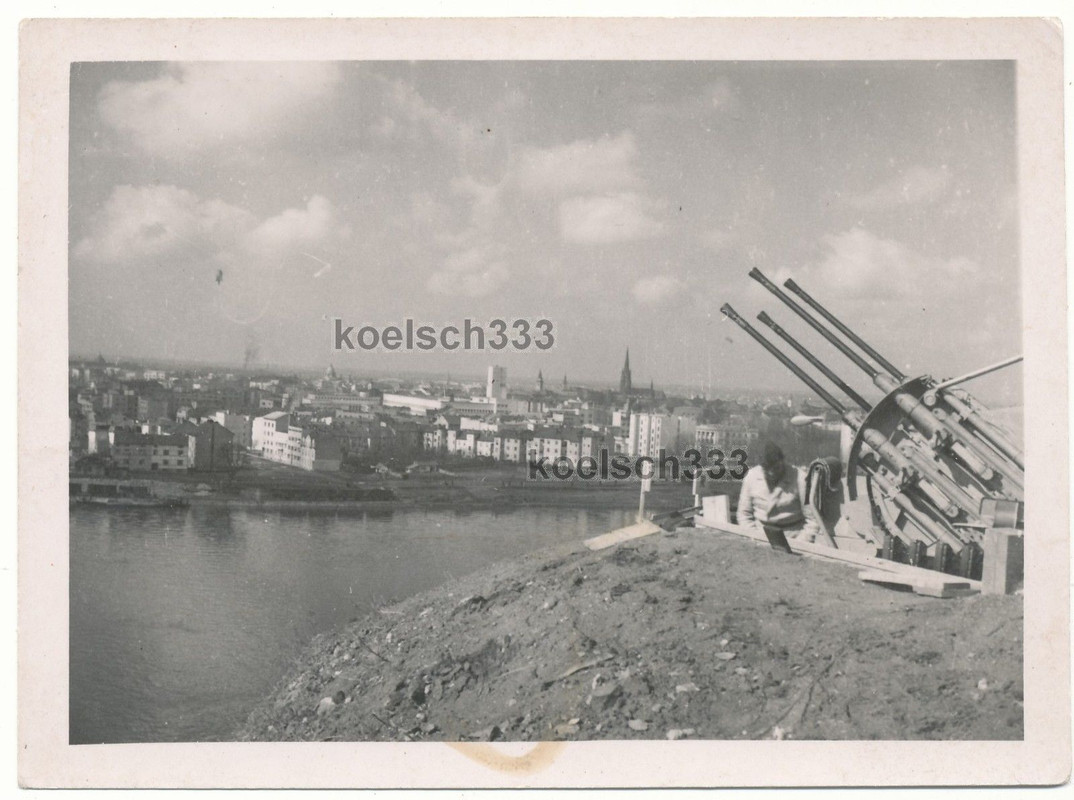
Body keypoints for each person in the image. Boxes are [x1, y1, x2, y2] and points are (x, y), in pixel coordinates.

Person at [737, 442, 819, 543]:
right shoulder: (751, 476)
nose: (772, 473)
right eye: (767, 469)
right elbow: (744, 514)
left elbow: (813, 520)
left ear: (783, 461)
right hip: (759, 535)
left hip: (793, 537)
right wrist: (753, 537)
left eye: (776, 468)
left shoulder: (801, 479)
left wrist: (800, 543)